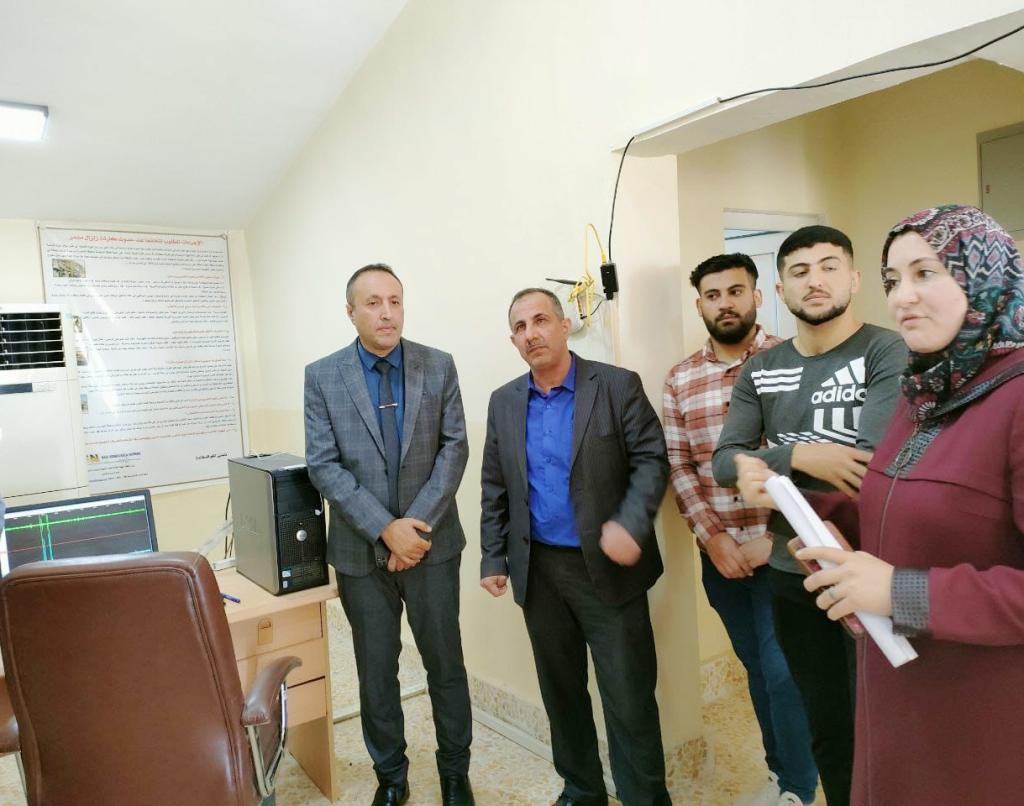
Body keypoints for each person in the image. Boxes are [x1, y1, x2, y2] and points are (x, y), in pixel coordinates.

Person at [738, 205, 1024, 805]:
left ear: (984, 275)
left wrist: (900, 592)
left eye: (926, 273)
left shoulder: (1017, 398)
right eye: (894, 280)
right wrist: (809, 509)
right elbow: (895, 503)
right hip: (899, 689)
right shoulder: (923, 392)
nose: (902, 298)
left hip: (980, 712)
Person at [711, 227, 906, 806]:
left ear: (855, 279)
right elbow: (724, 462)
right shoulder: (760, 370)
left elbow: (868, 466)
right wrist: (802, 456)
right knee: (828, 725)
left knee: (887, 727)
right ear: (780, 290)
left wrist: (768, 472)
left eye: (828, 266)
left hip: (871, 570)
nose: (814, 280)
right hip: (792, 573)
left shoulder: (886, 351)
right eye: (799, 271)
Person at [480, 288, 671, 806]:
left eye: (541, 320)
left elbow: (652, 459)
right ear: (513, 340)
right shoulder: (504, 401)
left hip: (607, 570)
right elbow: (496, 485)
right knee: (561, 692)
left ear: (565, 326)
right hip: (539, 572)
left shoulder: (616, 386)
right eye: (520, 327)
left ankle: (645, 798)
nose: (532, 333)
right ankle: (583, 791)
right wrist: (493, 556)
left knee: (628, 699)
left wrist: (631, 522)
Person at [304, 264, 474, 806]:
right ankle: (391, 777)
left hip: (432, 546)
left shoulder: (437, 365)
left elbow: (454, 450)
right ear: (350, 312)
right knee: (376, 672)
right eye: (373, 303)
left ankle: (454, 773)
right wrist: (385, 529)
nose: (387, 313)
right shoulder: (322, 376)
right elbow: (324, 465)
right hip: (360, 554)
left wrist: (412, 530)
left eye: (395, 301)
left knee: (445, 664)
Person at [664, 253, 816, 806]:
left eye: (735, 291)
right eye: (713, 295)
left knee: (783, 672)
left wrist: (768, 541)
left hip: (785, 554)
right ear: (700, 304)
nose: (724, 303)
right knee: (755, 668)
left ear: (757, 295)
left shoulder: (793, 362)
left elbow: (812, 461)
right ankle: (781, 773)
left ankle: (799, 787)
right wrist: (714, 538)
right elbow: (680, 465)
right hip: (723, 560)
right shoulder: (680, 379)